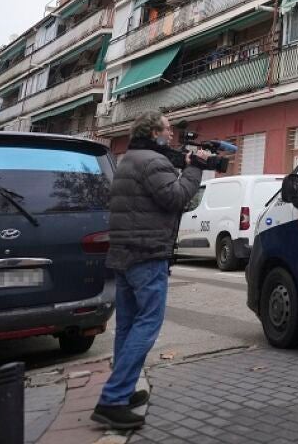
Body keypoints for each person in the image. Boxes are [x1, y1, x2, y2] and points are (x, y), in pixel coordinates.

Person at [91, 111, 211, 431]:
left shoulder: (128, 159)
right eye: (167, 129)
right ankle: (112, 400)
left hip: (124, 254)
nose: (171, 134)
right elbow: (176, 198)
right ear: (154, 131)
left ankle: (123, 390)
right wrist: (195, 168)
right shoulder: (153, 162)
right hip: (146, 254)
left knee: (128, 326)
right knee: (147, 324)